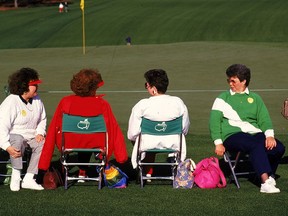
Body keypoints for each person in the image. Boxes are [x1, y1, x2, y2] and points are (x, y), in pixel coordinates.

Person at [38, 69, 128, 180]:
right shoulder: (102, 104)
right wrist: (121, 156)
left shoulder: (65, 102)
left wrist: (44, 163)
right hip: (96, 142)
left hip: (69, 141)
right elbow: (114, 129)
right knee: (88, 137)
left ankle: (82, 170)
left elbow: (53, 129)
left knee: (81, 137)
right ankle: (84, 169)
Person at [209, 64, 285, 193]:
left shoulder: (256, 98)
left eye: (233, 80)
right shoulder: (222, 98)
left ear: (243, 81)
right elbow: (214, 121)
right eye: (229, 80)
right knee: (255, 145)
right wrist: (218, 143)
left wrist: (270, 135)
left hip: (254, 132)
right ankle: (265, 182)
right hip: (231, 134)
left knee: (279, 148)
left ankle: (270, 175)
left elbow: (264, 119)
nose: (230, 83)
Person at [128, 69, 190, 178]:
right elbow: (185, 128)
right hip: (173, 143)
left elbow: (132, 134)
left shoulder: (142, 105)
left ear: (154, 89)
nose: (146, 87)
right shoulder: (178, 102)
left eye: (147, 85)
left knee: (141, 137)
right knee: (150, 137)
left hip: (147, 143)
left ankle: (147, 171)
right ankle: (165, 165)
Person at [0, 68, 46, 191]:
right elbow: (2, 126)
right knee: (18, 139)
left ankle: (29, 178)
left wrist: (40, 132)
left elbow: (43, 119)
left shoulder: (37, 100)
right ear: (24, 86)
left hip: (31, 136)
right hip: (13, 137)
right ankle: (16, 174)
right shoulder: (11, 102)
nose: (37, 87)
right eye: (34, 85)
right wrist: (6, 146)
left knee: (42, 143)